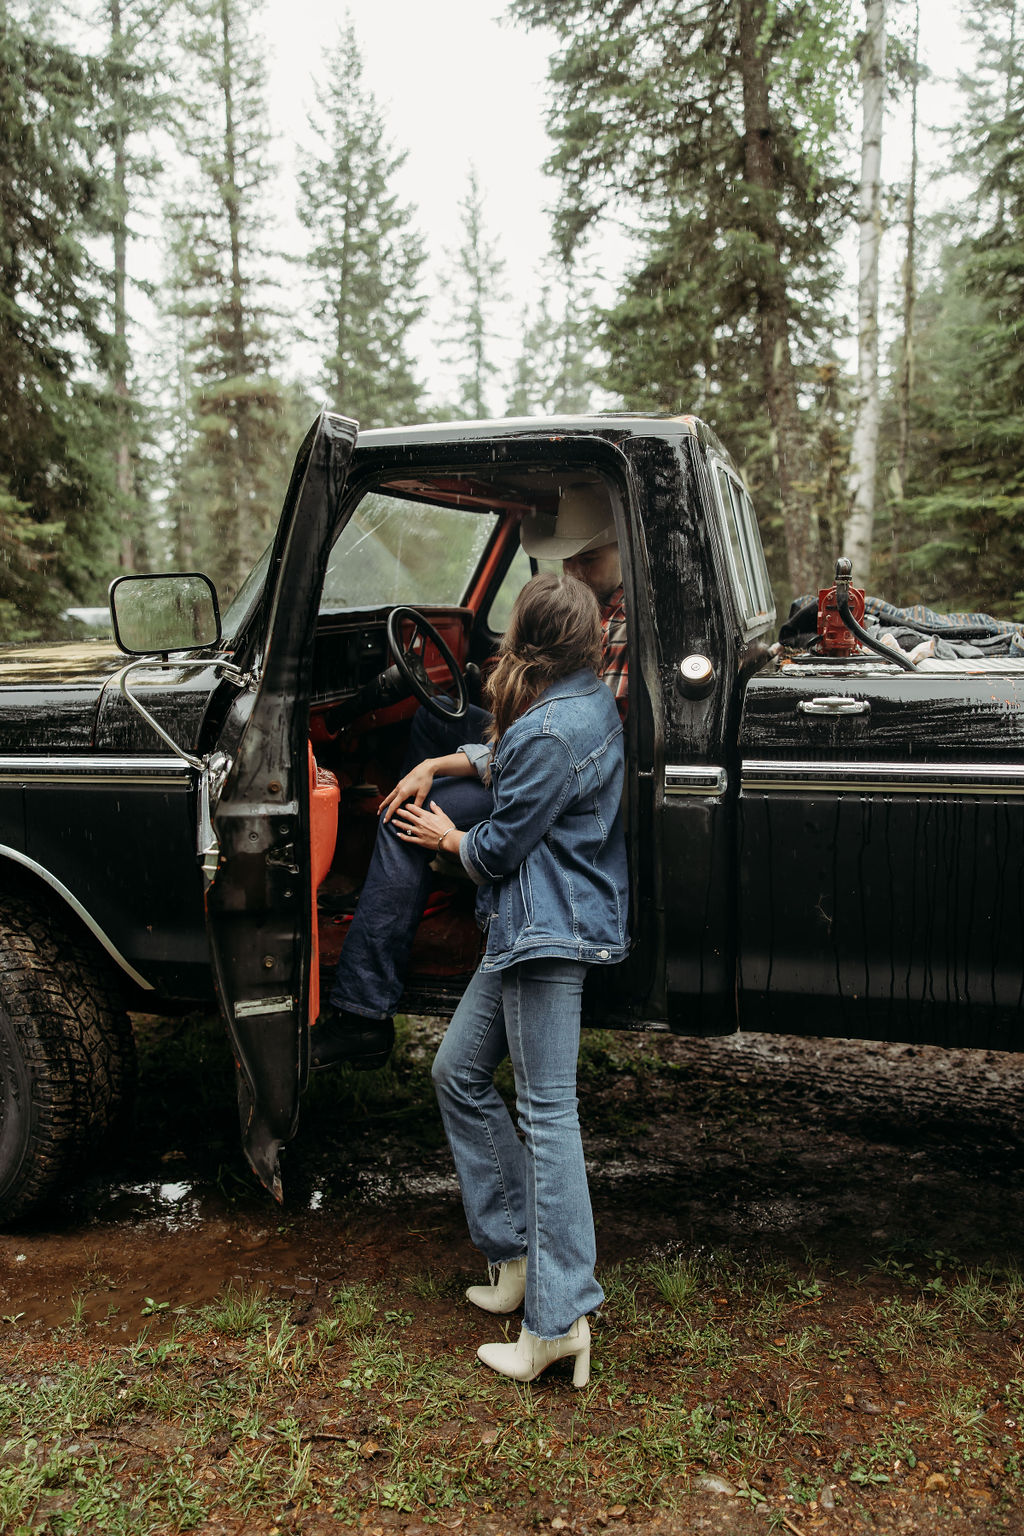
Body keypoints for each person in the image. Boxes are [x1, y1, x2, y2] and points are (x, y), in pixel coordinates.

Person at [391, 571, 628, 1385]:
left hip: (542, 930)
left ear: (525, 637)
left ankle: (558, 1321)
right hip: (537, 924)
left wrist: (445, 836)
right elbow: (515, 760)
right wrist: (443, 758)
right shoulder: (583, 701)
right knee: (457, 1072)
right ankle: (518, 1255)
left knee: (548, 1113)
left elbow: (497, 848)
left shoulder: (550, 729)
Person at [312, 479, 627, 1072]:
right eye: (571, 560)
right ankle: (408, 875)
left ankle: (361, 1011)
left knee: (401, 823)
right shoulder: (595, 611)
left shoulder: (622, 626)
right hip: (544, 754)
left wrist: (449, 837)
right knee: (433, 727)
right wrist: (437, 762)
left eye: (590, 558)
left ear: (623, 552)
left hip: (563, 788)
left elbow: (562, 745)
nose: (578, 573)